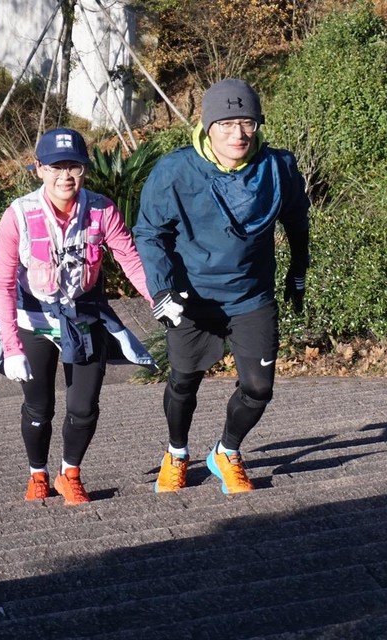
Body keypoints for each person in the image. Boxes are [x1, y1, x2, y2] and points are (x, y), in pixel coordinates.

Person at [133, 78, 310, 495]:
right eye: (227, 124)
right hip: (191, 297)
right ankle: (177, 453)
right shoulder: (175, 171)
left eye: (247, 122)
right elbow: (149, 232)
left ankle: (226, 452)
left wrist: (298, 270)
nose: (238, 134)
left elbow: (297, 220)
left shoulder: (277, 168)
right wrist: (161, 290)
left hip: (251, 295)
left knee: (258, 388)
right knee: (183, 382)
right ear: (208, 126)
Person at [0, 127, 157, 505]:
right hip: (33, 322)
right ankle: (38, 474)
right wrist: (11, 347)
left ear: (84, 169)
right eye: (56, 167)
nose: (65, 176)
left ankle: (70, 473)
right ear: (38, 169)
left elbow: (130, 259)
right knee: (39, 407)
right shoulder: (18, 215)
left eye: (74, 167)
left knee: (84, 407)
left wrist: (157, 300)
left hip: (84, 317)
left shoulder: (101, 209)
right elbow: (3, 284)